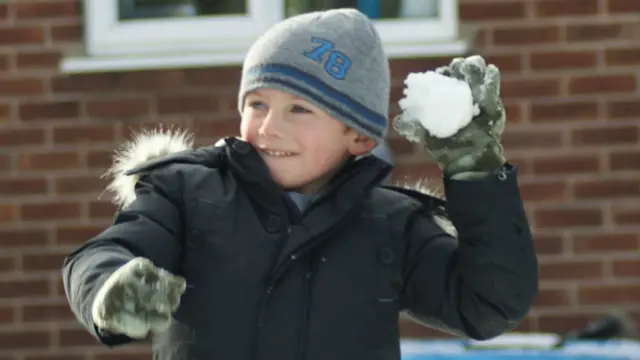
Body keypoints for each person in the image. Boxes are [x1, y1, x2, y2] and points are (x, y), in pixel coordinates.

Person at [62, 8, 538, 360]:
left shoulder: (392, 226)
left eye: (299, 109)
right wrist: (111, 291)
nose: (269, 127)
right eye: (257, 104)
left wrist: (475, 171)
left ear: (357, 135)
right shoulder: (186, 195)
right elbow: (101, 254)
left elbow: (487, 303)